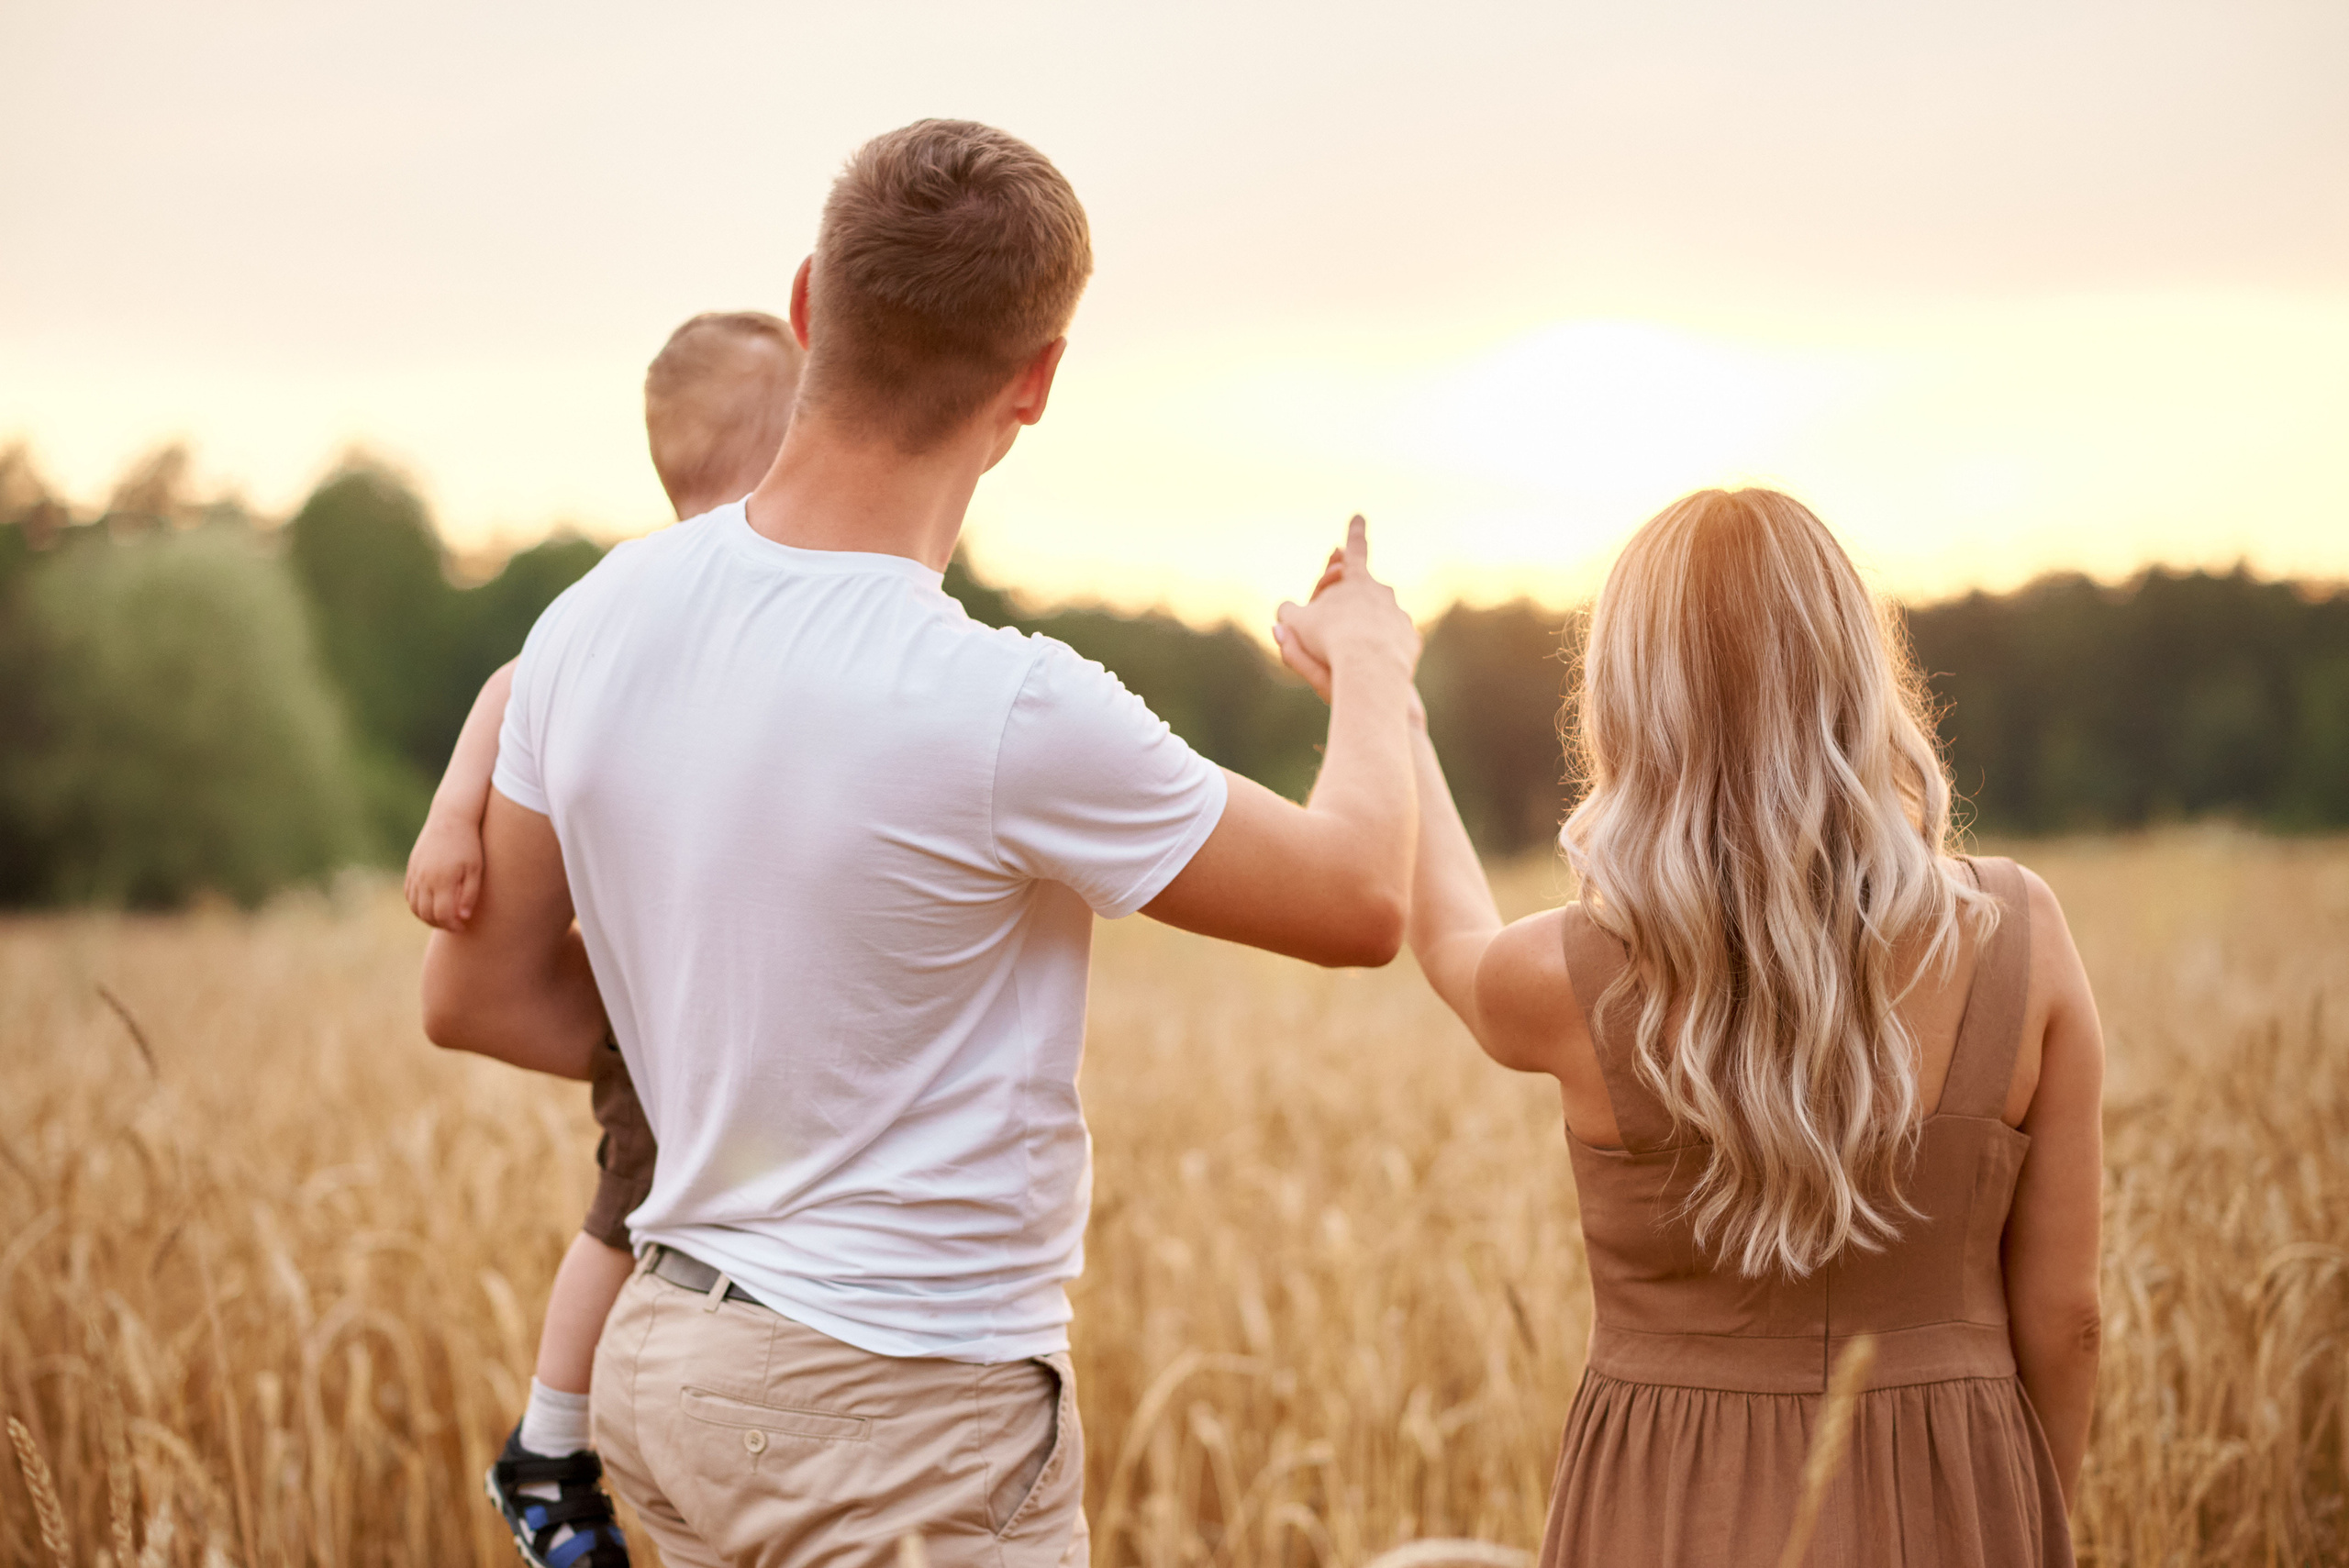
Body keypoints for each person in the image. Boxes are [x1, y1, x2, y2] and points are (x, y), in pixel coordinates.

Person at [418, 118, 1423, 1568]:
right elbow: (1357, 898)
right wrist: (1374, 661)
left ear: (813, 301)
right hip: (895, 1404)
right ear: (1038, 380)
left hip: (664, 1366)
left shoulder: (584, 626)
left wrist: (725, 1047)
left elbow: (474, 993)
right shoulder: (1007, 706)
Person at [1308, 487, 2104, 1565]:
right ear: (1858, 678)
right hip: (1959, 1500)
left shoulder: (1569, 974)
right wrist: (2014, 1512)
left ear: (1629, 704)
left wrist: (1388, 699)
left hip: (1671, 1510)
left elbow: (1450, 937)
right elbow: (2067, 1320)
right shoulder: (2022, 933)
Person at [406, 309, 803, 1568]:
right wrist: (450, 818)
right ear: (775, 453)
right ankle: (550, 1443)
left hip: (720, 995)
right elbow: (513, 686)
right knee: (625, 1206)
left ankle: (563, 1434)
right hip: (667, 1007)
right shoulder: (649, 602)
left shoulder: (754, 611)